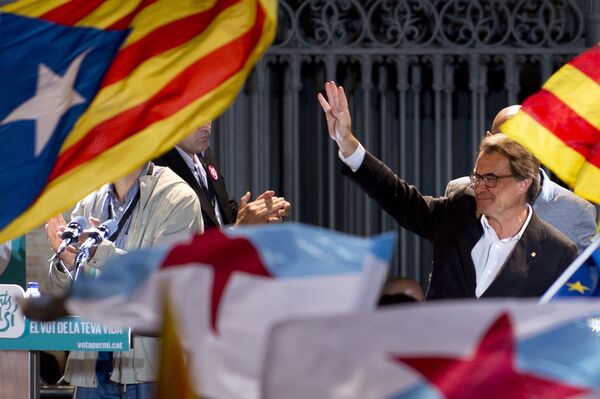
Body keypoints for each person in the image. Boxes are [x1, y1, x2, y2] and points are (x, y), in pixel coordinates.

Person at [318, 81, 577, 300]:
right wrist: (347, 142)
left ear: (524, 183)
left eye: (491, 179)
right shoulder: (458, 210)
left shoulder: (557, 251)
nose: (479, 186)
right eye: (477, 176)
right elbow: (398, 196)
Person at [45, 161, 203, 398]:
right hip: (91, 367)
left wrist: (100, 252)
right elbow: (68, 295)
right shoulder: (90, 202)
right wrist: (66, 263)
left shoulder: (179, 198)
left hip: (147, 370)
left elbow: (159, 280)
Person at [445, 105, 597, 249]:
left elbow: (585, 275)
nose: (515, 156)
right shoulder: (461, 192)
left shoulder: (576, 212)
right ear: (488, 141)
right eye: (504, 146)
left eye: (524, 145)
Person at [154, 121, 290, 228]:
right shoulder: (158, 171)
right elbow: (183, 244)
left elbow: (224, 208)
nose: (207, 127)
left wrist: (259, 215)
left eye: (209, 113)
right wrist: (239, 229)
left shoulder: (203, 151)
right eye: (196, 118)